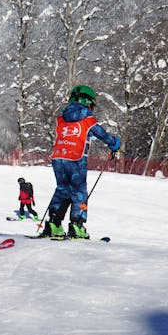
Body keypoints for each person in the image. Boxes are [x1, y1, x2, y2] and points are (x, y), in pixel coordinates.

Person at [42, 85, 120, 239]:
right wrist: (114, 143)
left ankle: (54, 224)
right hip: (76, 159)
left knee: (62, 189)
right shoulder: (88, 119)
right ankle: (77, 226)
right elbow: (102, 135)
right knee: (79, 191)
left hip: (58, 157)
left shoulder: (61, 118)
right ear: (89, 102)